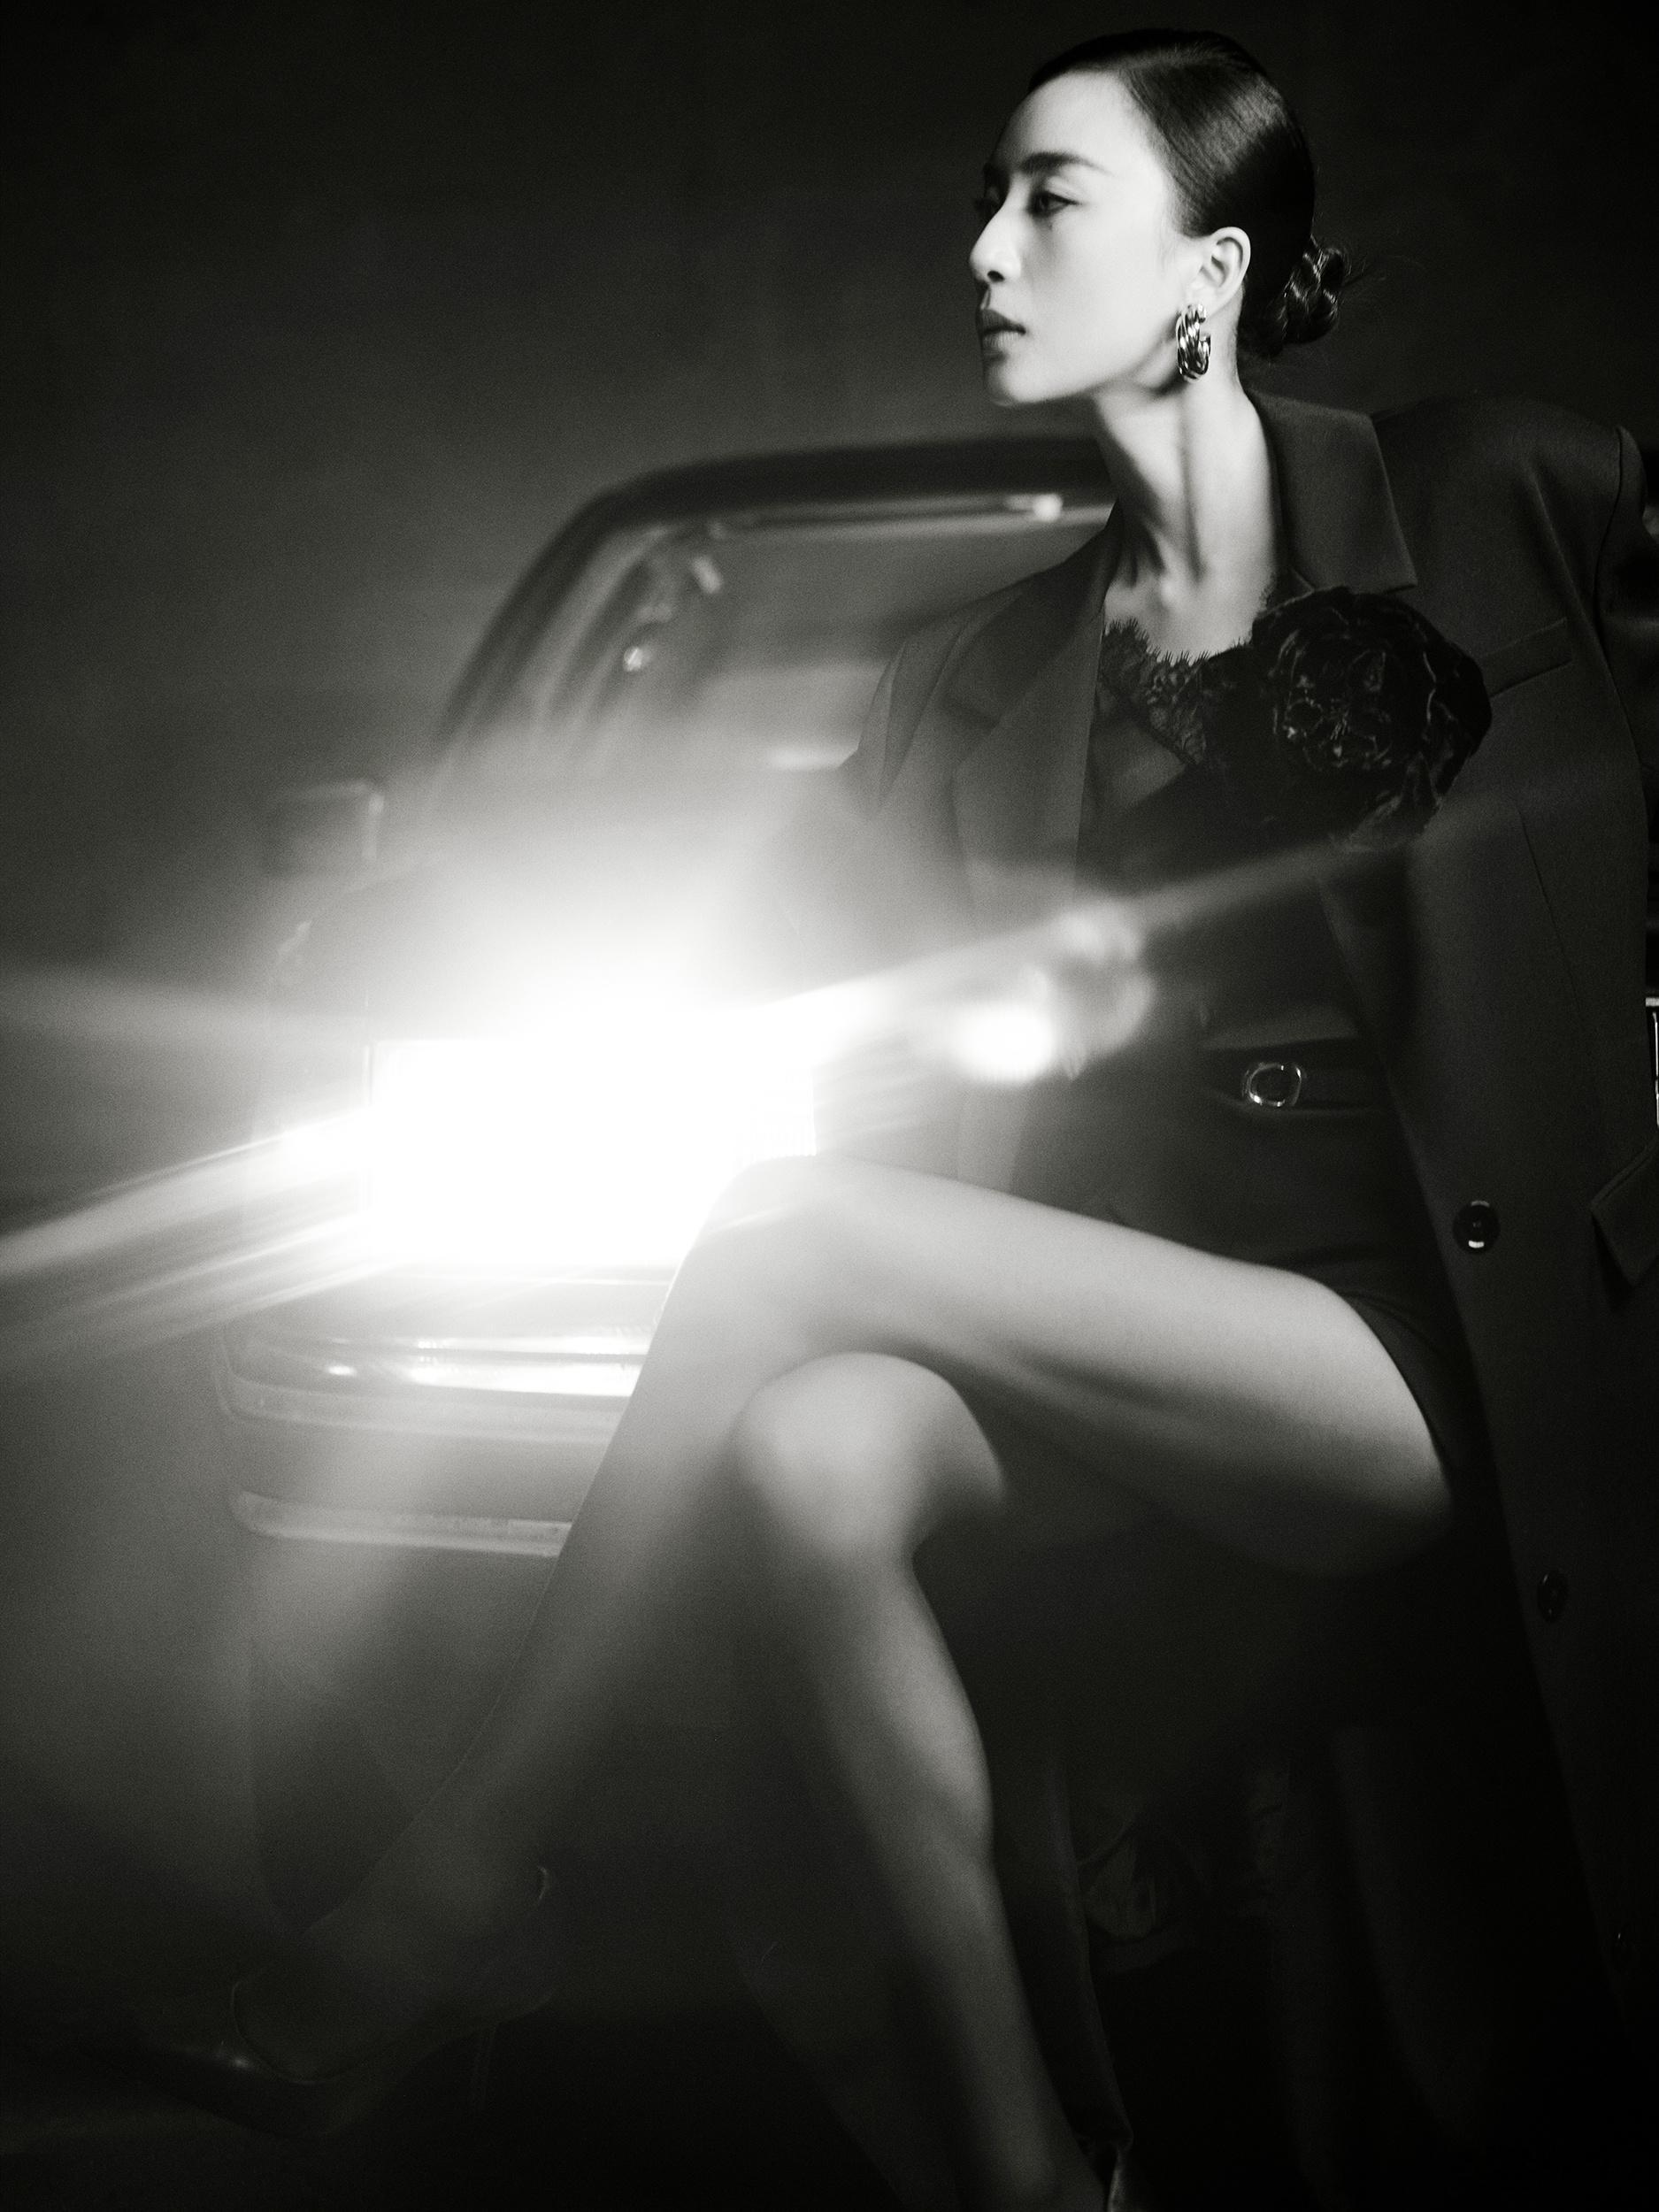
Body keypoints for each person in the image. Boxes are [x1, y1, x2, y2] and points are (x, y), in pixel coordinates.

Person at [121, 28, 1658, 2210]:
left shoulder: (1500, 489)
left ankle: (448, 1892)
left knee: (788, 1230)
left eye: (1046, 198)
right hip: (1126, 1319)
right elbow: (758, 936)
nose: (983, 251)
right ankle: (1024, 2167)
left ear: (1209, 269)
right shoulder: (975, 676)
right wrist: (435, 926)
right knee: (807, 1450)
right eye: (981, 200)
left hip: (1435, 1336)